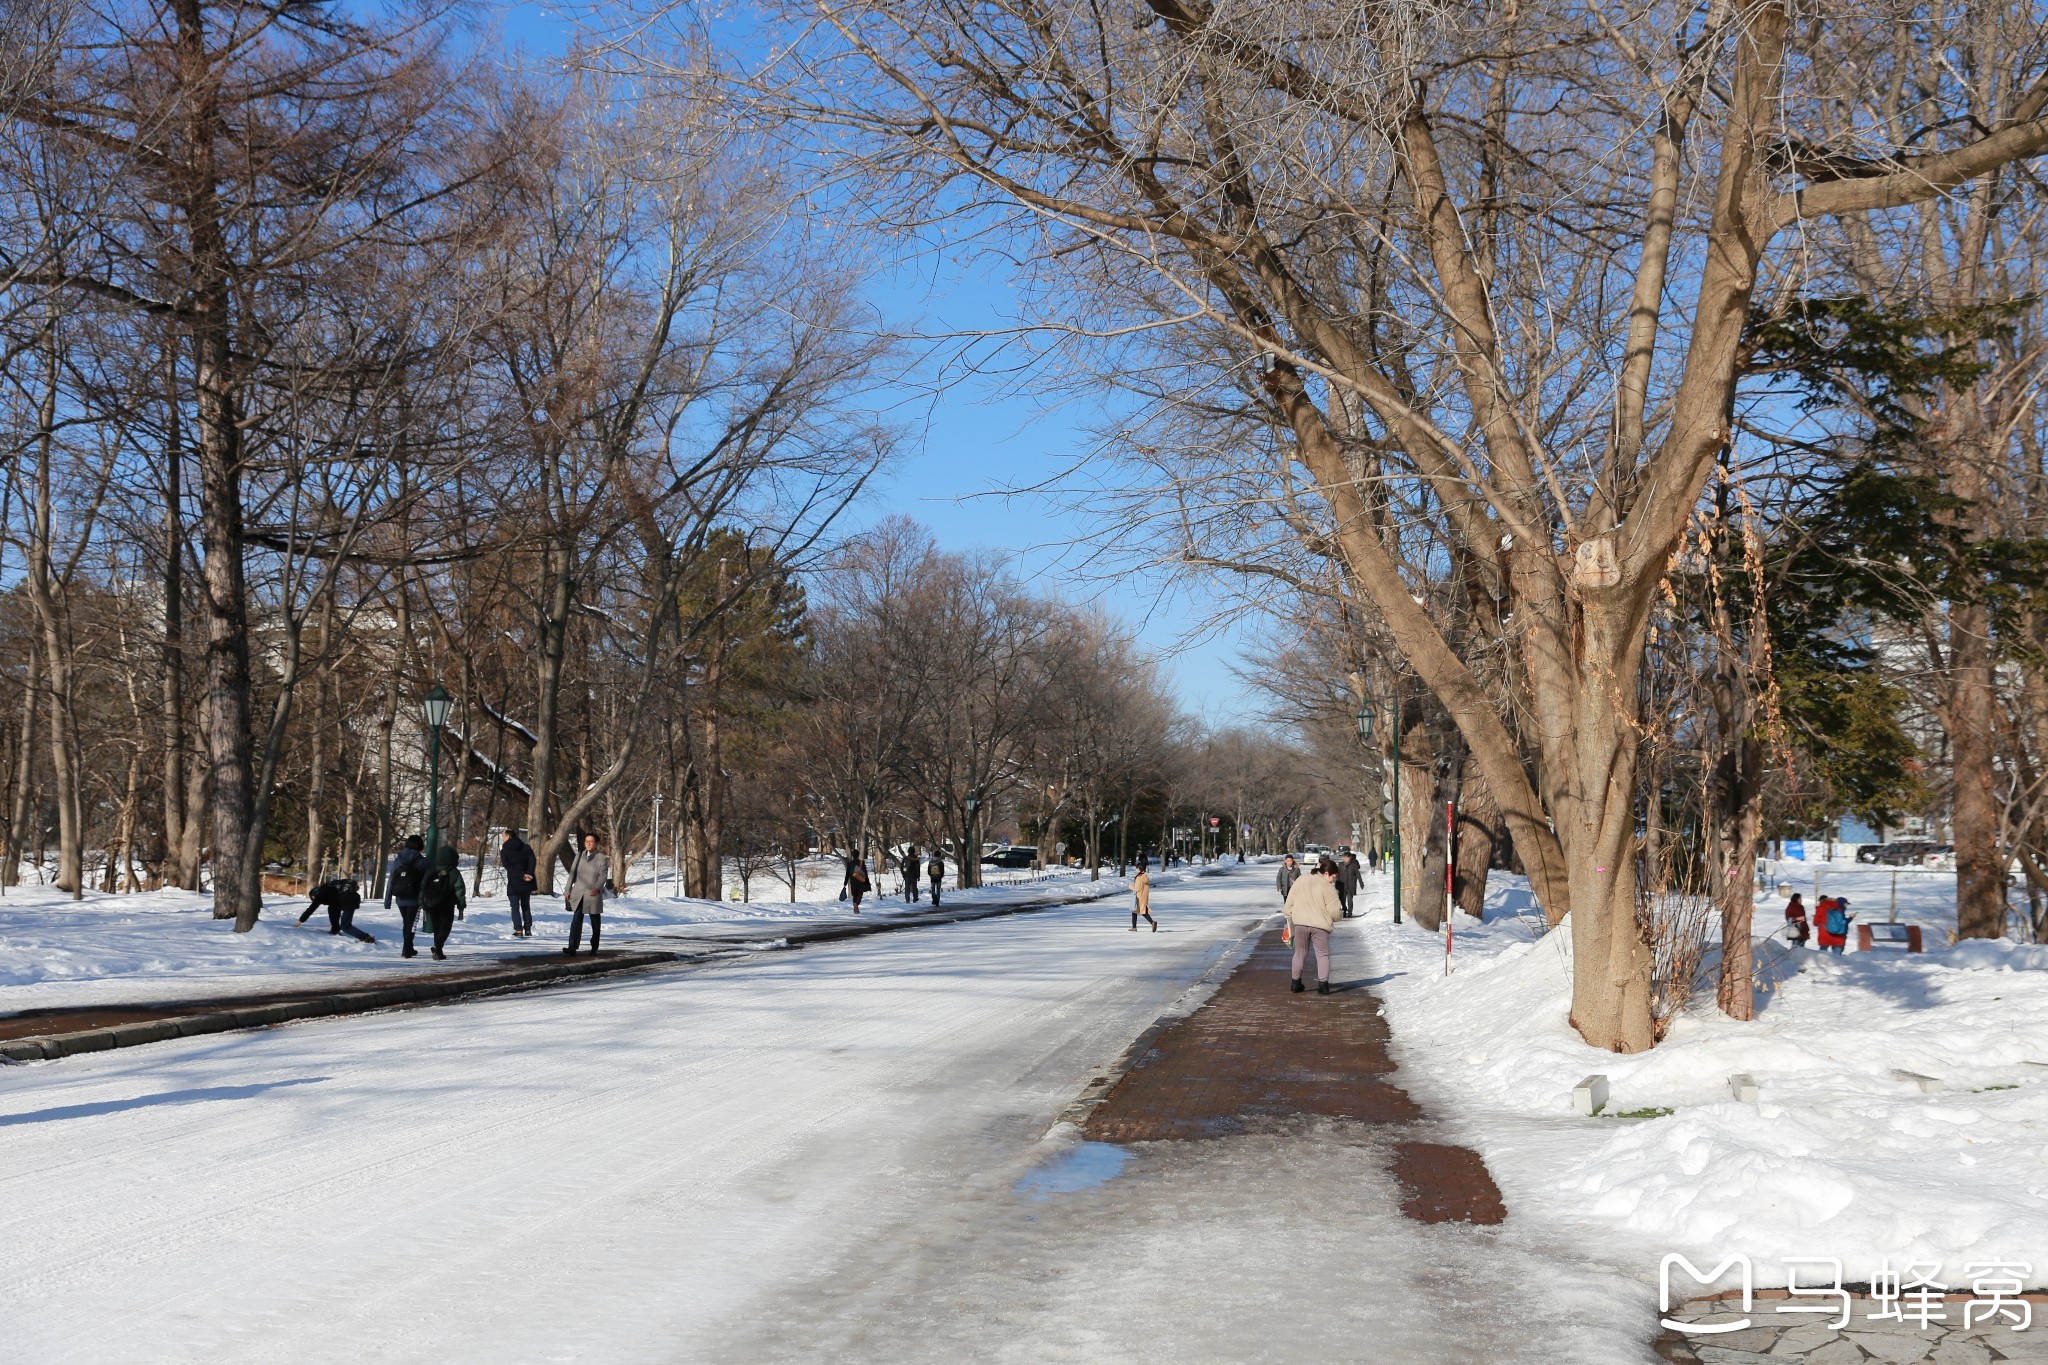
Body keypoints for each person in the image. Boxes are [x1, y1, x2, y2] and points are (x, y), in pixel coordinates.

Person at [1283, 854, 1344, 994]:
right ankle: (1323, 986)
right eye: (1333, 877)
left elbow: (1288, 904)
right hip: (1320, 926)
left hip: (1300, 924)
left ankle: (1295, 983)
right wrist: (1338, 918)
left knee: (1299, 953)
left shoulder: (1301, 879)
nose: (1333, 880)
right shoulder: (1328, 888)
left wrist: (1289, 916)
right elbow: (1335, 912)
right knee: (1322, 955)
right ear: (1326, 873)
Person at [384, 835, 430, 959]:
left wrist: (387, 900)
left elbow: (392, 879)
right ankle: (407, 949)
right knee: (410, 924)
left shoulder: (398, 859)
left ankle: (408, 947)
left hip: (400, 898)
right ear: (420, 846)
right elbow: (427, 881)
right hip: (415, 898)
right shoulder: (423, 861)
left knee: (407, 923)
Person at [564, 833, 610, 954]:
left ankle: (594, 946)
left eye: (591, 841)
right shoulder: (579, 856)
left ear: (596, 844)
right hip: (578, 893)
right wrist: (567, 889)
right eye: (586, 841)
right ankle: (572, 946)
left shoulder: (602, 858)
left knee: (595, 921)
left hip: (592, 894)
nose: (588, 844)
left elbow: (603, 876)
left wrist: (597, 888)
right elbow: (572, 874)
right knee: (576, 920)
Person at [419, 846, 467, 961]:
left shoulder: (432, 870)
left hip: (431, 904)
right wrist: (461, 905)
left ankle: (438, 952)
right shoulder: (454, 873)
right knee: (445, 927)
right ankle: (438, 947)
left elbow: (423, 887)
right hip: (447, 905)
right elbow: (459, 890)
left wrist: (421, 902)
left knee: (437, 927)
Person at [300, 876, 374, 943]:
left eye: (314, 898)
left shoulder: (322, 892)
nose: (315, 900)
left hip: (347, 898)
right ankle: (335, 929)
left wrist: (301, 920)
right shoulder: (332, 891)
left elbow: (312, 907)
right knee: (333, 908)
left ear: (315, 893)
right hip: (354, 898)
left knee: (346, 926)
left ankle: (366, 938)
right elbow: (333, 910)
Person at [500, 828, 537, 938]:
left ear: (508, 837)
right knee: (526, 905)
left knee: (515, 907)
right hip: (527, 881)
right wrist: (529, 873)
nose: (502, 839)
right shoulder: (526, 847)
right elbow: (532, 860)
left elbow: (509, 867)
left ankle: (519, 930)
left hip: (514, 882)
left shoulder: (505, 851)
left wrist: (521, 875)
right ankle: (528, 929)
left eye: (503, 836)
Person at [1131, 865, 1157, 932]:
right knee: (1137, 911)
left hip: (1139, 896)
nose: (1135, 870)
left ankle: (1152, 922)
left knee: (1138, 911)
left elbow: (1137, 888)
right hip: (1144, 896)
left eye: (1136, 868)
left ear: (1139, 869)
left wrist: (1131, 886)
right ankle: (1134, 927)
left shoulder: (1139, 878)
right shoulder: (1145, 877)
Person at [1338, 850, 1362, 918]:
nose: (1346, 859)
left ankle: (1350, 912)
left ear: (1350, 858)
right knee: (1342, 900)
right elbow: (1338, 875)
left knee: (1349, 900)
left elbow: (1358, 874)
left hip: (1351, 885)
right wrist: (1337, 883)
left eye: (1347, 858)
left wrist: (1361, 883)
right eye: (1345, 858)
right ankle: (1344, 910)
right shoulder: (1340, 865)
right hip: (1342, 885)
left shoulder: (1353, 865)